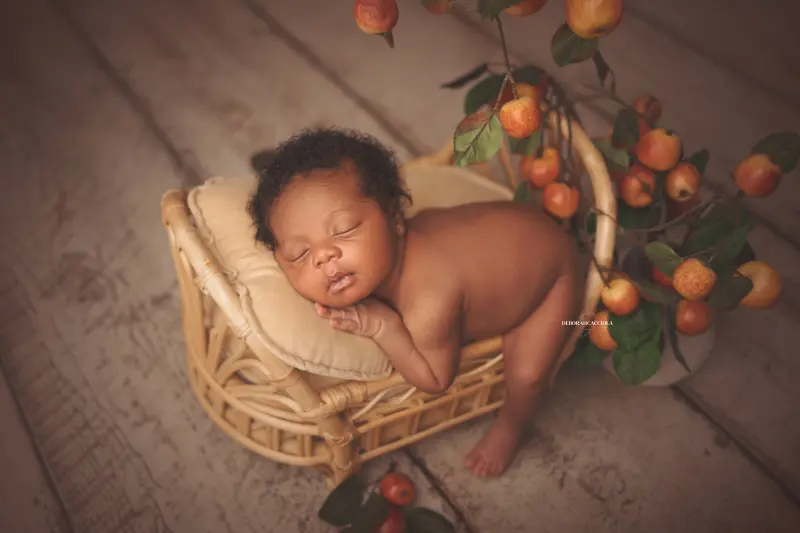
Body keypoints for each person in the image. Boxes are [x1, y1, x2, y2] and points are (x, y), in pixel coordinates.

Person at [248, 128, 580, 477]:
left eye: (343, 230)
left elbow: (436, 379)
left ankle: (513, 426)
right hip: (508, 229)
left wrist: (383, 325)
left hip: (550, 275)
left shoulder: (429, 299)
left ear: (394, 219)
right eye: (300, 253)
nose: (324, 256)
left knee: (528, 375)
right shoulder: (387, 256)